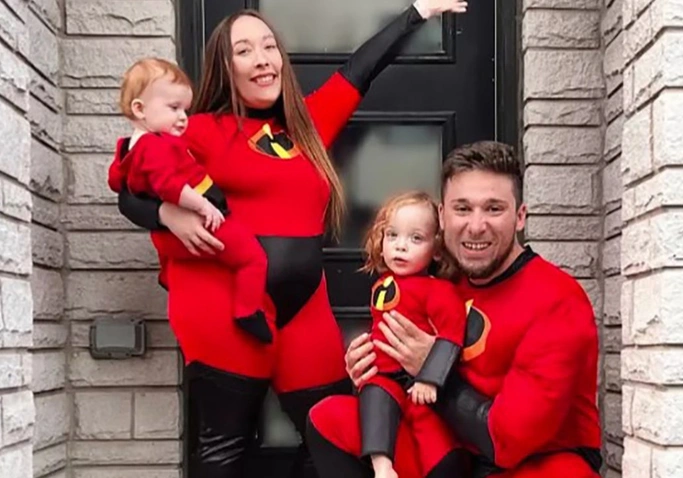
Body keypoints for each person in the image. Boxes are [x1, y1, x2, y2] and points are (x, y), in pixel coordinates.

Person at [114, 2, 469, 477]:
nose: (263, 59)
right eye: (244, 50)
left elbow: (359, 69)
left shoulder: (307, 127)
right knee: (223, 448)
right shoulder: (195, 131)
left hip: (305, 305)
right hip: (226, 303)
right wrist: (164, 214)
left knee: (333, 428)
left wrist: (418, 12)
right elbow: (128, 188)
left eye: (269, 47)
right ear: (225, 67)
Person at [305, 141, 603, 478]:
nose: (476, 226)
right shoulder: (441, 282)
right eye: (462, 209)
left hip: (530, 461)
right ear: (442, 216)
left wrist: (433, 369)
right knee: (330, 419)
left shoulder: (557, 300)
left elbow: (511, 440)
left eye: (493, 209)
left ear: (520, 217)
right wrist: (375, 369)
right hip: (454, 449)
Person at [107, 58, 272, 344]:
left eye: (185, 109)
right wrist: (203, 205)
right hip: (201, 218)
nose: (183, 117)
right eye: (174, 108)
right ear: (140, 109)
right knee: (253, 259)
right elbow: (170, 186)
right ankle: (248, 311)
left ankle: (166, 276)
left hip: (167, 236)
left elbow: (115, 181)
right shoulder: (156, 146)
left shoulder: (127, 148)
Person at [357, 191, 469, 478]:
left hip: (416, 379)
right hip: (382, 374)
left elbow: (451, 335)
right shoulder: (382, 284)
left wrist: (430, 378)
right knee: (374, 400)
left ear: (436, 249)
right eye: (392, 235)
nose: (401, 246)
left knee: (428, 428)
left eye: (415, 238)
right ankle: (382, 466)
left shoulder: (438, 291)